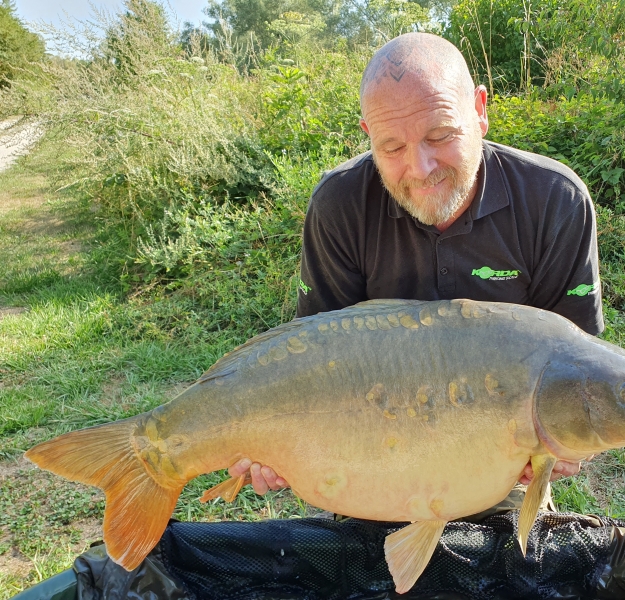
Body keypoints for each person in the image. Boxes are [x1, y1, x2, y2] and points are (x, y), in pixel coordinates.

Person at [228, 32, 604, 509]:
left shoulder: (554, 200)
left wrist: (566, 444)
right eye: (392, 147)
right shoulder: (340, 203)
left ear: (480, 109)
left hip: (498, 465)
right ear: (368, 134)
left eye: (440, 136)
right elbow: (311, 355)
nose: (420, 168)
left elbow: (579, 369)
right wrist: (274, 443)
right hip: (368, 457)